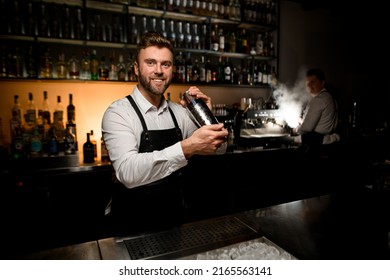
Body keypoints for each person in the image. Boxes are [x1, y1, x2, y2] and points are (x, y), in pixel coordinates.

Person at [101, 31, 228, 234]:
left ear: (172, 70)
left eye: (165, 64)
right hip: (130, 226)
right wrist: (187, 147)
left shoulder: (180, 113)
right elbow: (127, 172)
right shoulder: (119, 113)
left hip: (174, 220)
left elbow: (220, 148)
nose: (158, 70)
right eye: (150, 62)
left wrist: (207, 117)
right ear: (136, 68)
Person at [292, 68, 340, 158]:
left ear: (322, 82)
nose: (309, 86)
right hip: (328, 145)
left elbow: (307, 129)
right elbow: (322, 123)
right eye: (307, 83)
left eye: (313, 82)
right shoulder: (329, 97)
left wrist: (297, 129)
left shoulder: (318, 100)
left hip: (317, 148)